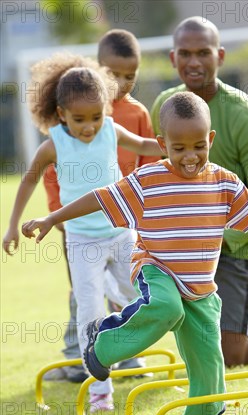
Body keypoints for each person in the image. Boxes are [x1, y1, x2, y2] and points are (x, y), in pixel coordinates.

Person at [22, 92, 248, 415]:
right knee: (166, 307)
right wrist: (53, 217)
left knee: (209, 361)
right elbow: (100, 198)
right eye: (178, 149)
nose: (190, 156)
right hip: (155, 269)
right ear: (163, 145)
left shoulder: (224, 183)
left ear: (210, 140)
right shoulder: (148, 179)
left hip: (201, 289)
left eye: (198, 146)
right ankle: (102, 345)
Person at [2, 53, 161, 412]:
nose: (89, 127)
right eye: (79, 120)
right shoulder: (54, 145)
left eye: (96, 116)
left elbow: (144, 146)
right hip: (82, 240)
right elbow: (28, 181)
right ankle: (100, 391)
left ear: (106, 108)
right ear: (60, 114)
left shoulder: (110, 130)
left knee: (135, 294)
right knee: (89, 310)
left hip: (121, 232)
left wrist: (177, 148)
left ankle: (124, 339)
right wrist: (12, 225)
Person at [151, 17, 248, 367]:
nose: (194, 62)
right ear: (172, 59)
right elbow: (158, 176)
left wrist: (209, 231)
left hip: (236, 251)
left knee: (231, 357)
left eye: (203, 52)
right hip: (182, 247)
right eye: (185, 53)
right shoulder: (163, 106)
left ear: (219, 56)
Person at [42, 29, 161, 381]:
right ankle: (75, 357)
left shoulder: (135, 114)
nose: (122, 82)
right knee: (84, 292)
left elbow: (146, 157)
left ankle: (124, 354)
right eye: (113, 74)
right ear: (98, 70)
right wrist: (56, 212)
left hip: (121, 221)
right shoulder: (77, 109)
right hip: (77, 221)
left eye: (130, 75)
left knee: (128, 286)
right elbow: (53, 169)